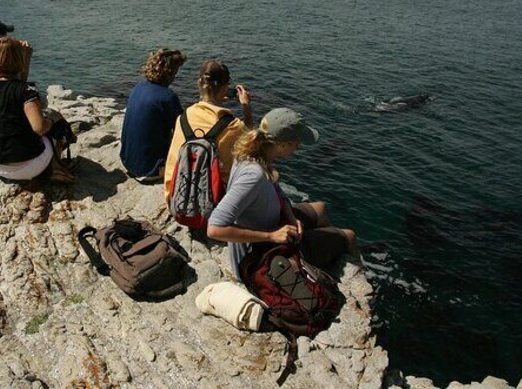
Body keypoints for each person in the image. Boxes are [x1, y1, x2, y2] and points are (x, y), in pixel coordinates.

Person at [207, 108, 358, 280]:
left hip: (271, 226)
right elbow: (214, 229)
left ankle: (316, 252)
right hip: (259, 256)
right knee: (350, 236)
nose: (299, 146)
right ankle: (317, 259)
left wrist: (289, 214)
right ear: (282, 144)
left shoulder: (252, 153)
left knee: (321, 208)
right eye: (296, 142)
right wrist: (271, 236)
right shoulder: (253, 176)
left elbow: (276, 191)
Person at [0, 37, 74, 183]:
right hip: (28, 166)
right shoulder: (26, 90)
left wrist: (1, 129)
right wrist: (52, 121)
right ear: (20, 60)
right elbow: (39, 128)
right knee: (59, 125)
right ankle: (55, 168)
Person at [163, 59, 253, 200]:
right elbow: (251, 139)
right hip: (213, 205)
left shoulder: (182, 118)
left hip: (175, 197)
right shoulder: (233, 126)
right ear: (225, 88)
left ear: (200, 84)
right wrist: (247, 108)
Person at [120, 48, 187, 183]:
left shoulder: (138, 87)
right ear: (169, 72)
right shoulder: (167, 97)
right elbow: (184, 131)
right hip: (149, 170)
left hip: (127, 161)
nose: (175, 77)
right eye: (175, 72)